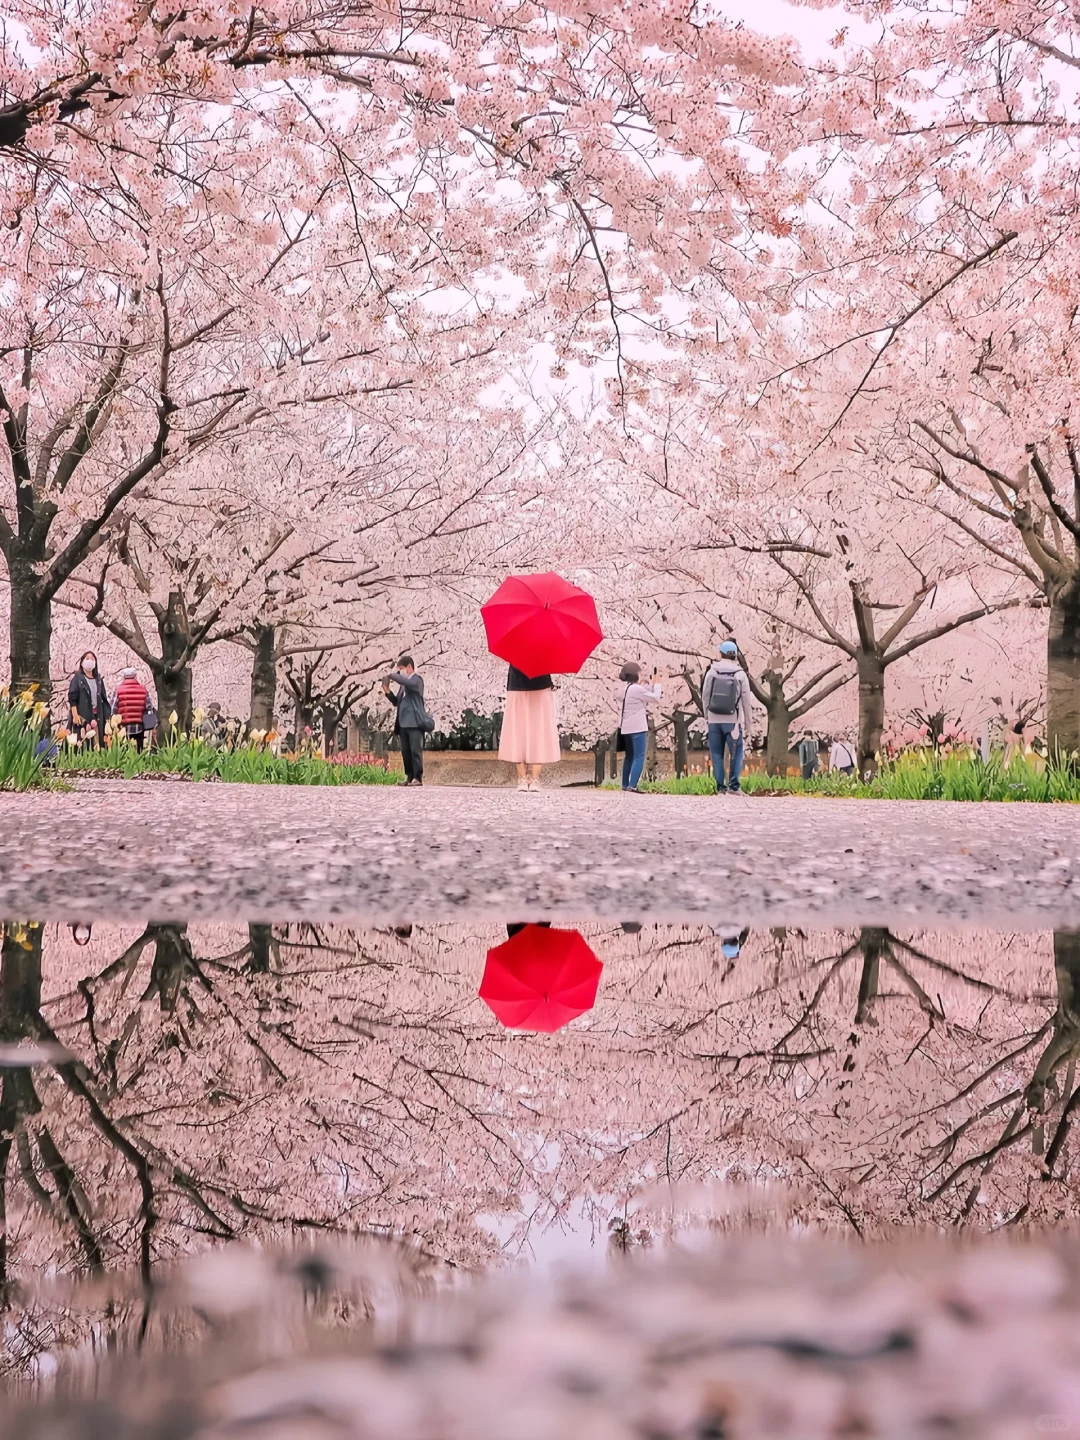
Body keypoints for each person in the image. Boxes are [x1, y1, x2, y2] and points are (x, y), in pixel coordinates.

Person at [498, 664, 560, 791]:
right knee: (517, 728)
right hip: (517, 683)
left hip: (541, 683)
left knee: (539, 729)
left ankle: (535, 778)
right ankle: (522, 777)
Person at [701, 640, 752, 794]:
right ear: (735, 656)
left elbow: (705, 696)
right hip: (733, 721)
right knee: (736, 753)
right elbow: (746, 700)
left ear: (720, 653)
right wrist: (748, 723)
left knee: (716, 753)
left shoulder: (712, 671)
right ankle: (734, 786)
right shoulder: (740, 674)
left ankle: (720, 788)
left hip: (714, 719)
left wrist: (706, 715)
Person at [616, 662, 663, 792]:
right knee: (639, 756)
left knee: (629, 756)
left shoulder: (624, 689)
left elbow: (643, 691)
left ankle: (625, 784)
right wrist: (658, 684)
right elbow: (656, 698)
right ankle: (633, 785)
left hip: (625, 727)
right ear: (635, 674)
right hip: (638, 727)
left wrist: (652, 685)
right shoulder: (636, 689)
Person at [382, 656, 428, 786]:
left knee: (415, 751)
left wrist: (391, 675)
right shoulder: (403, 686)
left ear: (409, 667)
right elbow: (397, 702)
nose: (400, 672)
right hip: (403, 723)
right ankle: (409, 777)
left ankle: (417, 778)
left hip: (415, 722)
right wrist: (387, 692)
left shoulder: (417, 680)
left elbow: (407, 683)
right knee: (406, 751)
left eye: (401, 669)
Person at [68, 651, 110, 747]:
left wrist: (107, 717)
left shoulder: (98, 680)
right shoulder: (77, 679)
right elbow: (72, 698)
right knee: (84, 742)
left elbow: (104, 698)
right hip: (83, 715)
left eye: (92, 659)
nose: (90, 661)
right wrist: (75, 715)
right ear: (82, 662)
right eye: (87, 658)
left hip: (98, 715)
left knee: (98, 742)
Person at [113, 666, 151, 752]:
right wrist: (149, 724)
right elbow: (149, 707)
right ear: (135, 676)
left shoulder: (118, 690)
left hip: (124, 725)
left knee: (125, 749)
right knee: (139, 749)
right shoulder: (143, 689)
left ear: (124, 677)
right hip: (140, 725)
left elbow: (114, 708)